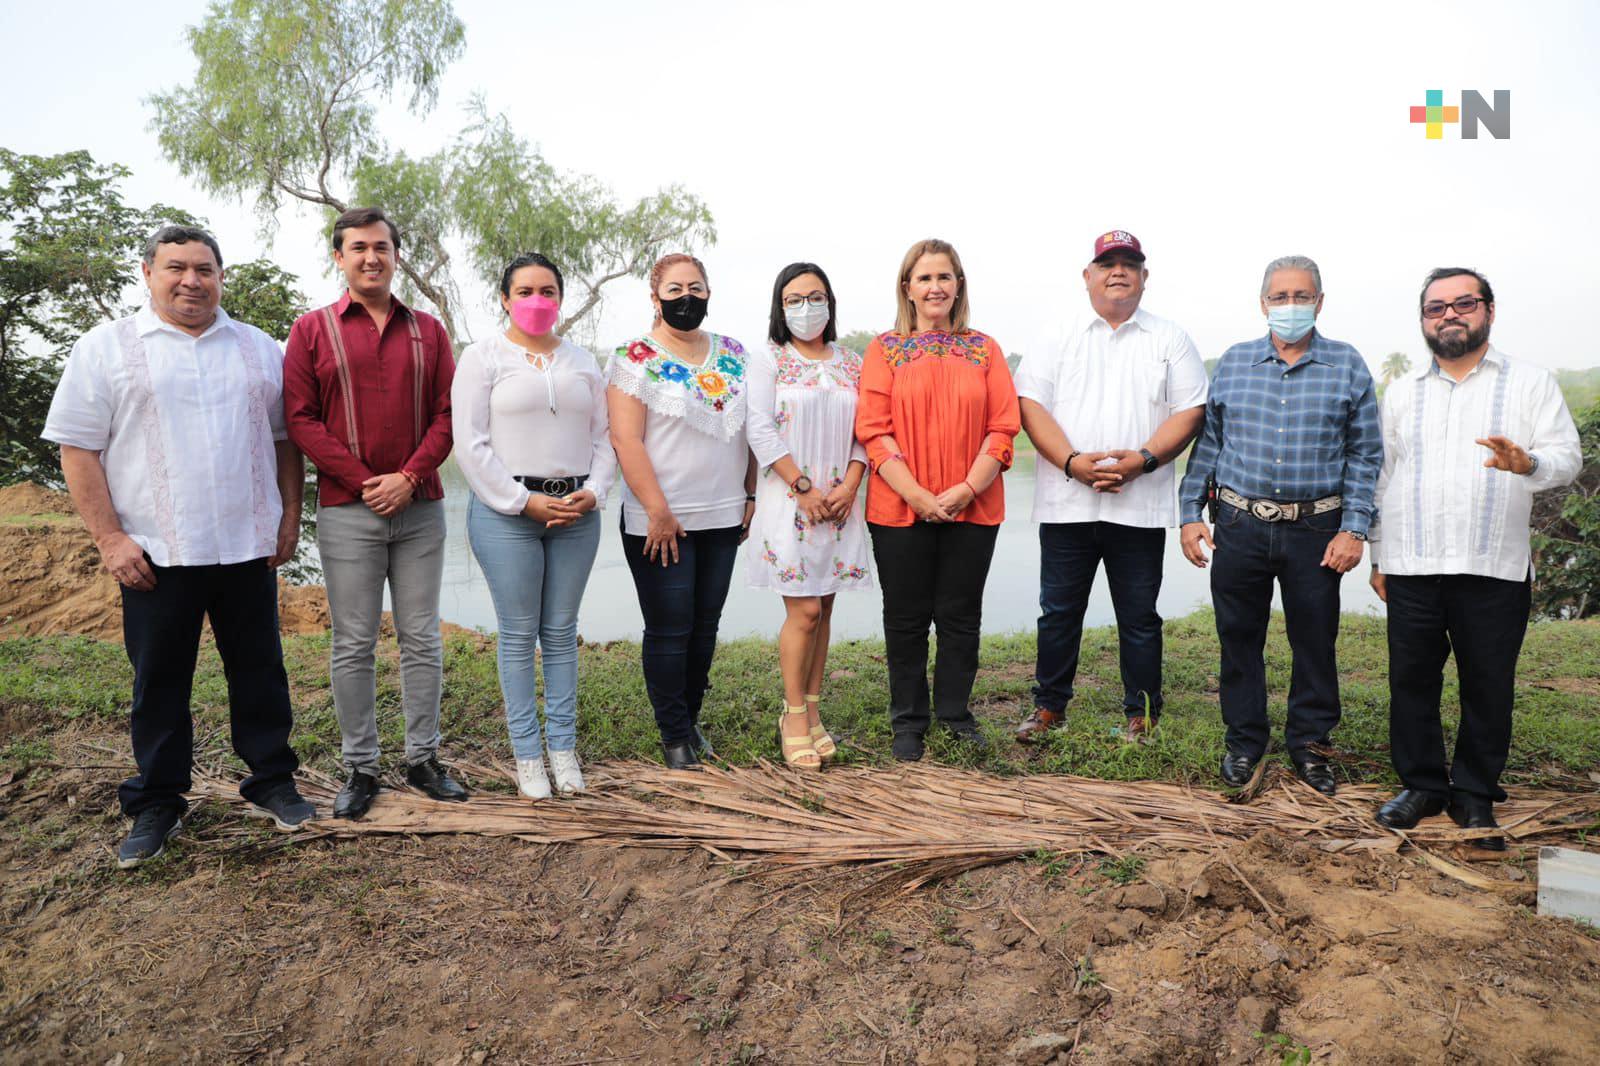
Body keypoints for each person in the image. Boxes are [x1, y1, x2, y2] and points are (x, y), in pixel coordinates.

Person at [43, 225, 316, 868]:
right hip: (155, 552)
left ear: (220, 276)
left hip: (246, 544)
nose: (191, 280)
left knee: (260, 670)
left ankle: (272, 781)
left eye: (204, 269)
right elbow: (77, 448)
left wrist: (288, 516)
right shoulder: (106, 347)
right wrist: (110, 539)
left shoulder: (258, 348)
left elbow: (284, 440)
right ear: (148, 273)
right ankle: (158, 801)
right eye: (176, 268)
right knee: (160, 680)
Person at [1370, 268, 1580, 848]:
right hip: (1412, 562)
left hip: (1493, 564)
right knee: (1411, 680)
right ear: (1423, 320)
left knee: (1487, 684)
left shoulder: (1530, 383)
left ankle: (1474, 795)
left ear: (1489, 310)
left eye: (1463, 304)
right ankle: (1421, 786)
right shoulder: (1403, 391)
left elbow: (1568, 457)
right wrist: (1380, 554)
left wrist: (1528, 464)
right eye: (1436, 307)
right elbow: (1385, 476)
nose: (1449, 315)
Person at [1178, 255, 1382, 796]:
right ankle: (1244, 742)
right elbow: (1210, 444)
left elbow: (1365, 455)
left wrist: (1354, 529)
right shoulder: (1236, 362)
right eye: (1280, 297)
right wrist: (1190, 514)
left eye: (1301, 296)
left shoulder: (1347, 365)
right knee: (1238, 637)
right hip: (1239, 522)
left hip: (1316, 528)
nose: (1290, 306)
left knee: (1314, 639)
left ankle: (1311, 746)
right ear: (1263, 303)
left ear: (1320, 301)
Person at [283, 206, 462, 819]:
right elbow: (301, 419)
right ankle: (360, 767)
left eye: (381, 247)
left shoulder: (429, 331)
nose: (371, 257)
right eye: (358, 247)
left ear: (396, 255)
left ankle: (423, 759)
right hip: (347, 509)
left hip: (421, 508)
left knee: (421, 637)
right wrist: (366, 483)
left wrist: (409, 477)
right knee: (353, 642)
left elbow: (448, 413)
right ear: (339, 257)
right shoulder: (311, 330)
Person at [1012, 231, 1207, 746]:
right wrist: (1070, 462)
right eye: (1107, 263)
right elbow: (1031, 406)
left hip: (1138, 505)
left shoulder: (1169, 338)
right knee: (1058, 613)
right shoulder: (1056, 334)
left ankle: (1142, 714)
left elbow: (1190, 409)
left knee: (1139, 617)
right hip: (1066, 502)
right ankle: (1049, 706)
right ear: (1088, 276)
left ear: (1144, 276)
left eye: (1129, 263)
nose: (1118, 271)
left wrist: (1144, 460)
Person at [454, 253, 615, 799]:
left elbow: (604, 439)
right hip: (508, 515)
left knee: (562, 632)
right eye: (524, 291)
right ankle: (528, 756)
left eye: (547, 291)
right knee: (520, 634)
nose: (537, 300)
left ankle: (563, 750)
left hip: (576, 513)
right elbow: (470, 444)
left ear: (561, 299)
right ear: (505, 299)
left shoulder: (583, 362)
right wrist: (522, 502)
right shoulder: (482, 358)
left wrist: (595, 491)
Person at [855, 238, 1021, 762]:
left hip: (974, 505)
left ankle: (954, 713)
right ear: (907, 287)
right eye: (924, 278)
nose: (935, 287)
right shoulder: (884, 350)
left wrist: (967, 488)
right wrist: (917, 495)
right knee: (905, 619)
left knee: (960, 616)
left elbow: (1003, 427)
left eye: (944, 277)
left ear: (958, 285)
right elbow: (873, 431)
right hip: (899, 509)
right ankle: (908, 721)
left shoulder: (985, 349)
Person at [607, 253, 757, 770]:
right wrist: (657, 510)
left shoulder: (735, 354)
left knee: (705, 626)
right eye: (674, 289)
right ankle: (673, 736)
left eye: (695, 287)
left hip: (724, 513)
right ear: (655, 298)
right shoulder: (633, 357)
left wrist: (751, 495)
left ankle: (690, 719)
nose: (685, 297)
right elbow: (626, 440)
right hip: (660, 520)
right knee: (670, 629)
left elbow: (752, 430)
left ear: (709, 292)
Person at [745, 262, 871, 769]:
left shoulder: (852, 362)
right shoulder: (768, 359)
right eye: (794, 299)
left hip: (840, 502)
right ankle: (793, 714)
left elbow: (867, 430)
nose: (805, 307)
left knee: (826, 609)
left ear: (830, 303)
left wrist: (850, 484)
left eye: (815, 297)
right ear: (780, 307)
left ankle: (814, 712)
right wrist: (801, 486)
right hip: (789, 500)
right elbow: (758, 428)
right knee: (805, 612)